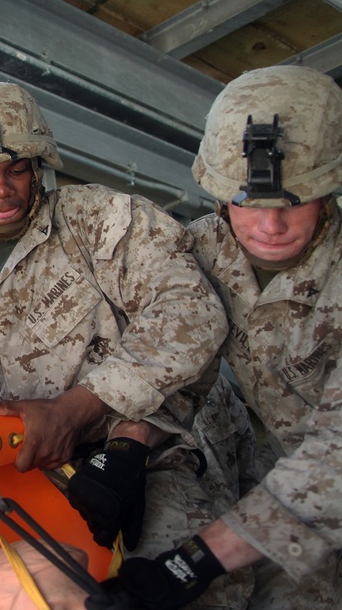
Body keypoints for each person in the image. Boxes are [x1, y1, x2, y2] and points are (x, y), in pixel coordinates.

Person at [0, 81, 251, 608]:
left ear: (39, 165)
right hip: (17, 488)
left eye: (15, 168)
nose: (1, 189)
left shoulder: (101, 221)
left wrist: (79, 410)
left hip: (138, 460)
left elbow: (190, 310)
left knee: (182, 589)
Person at [88, 66, 342, 609]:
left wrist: (194, 562)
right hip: (275, 492)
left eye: (292, 201)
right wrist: (128, 445)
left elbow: (335, 458)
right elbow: (179, 367)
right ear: (221, 193)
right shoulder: (203, 250)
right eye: (250, 202)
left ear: (328, 187)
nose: (270, 227)